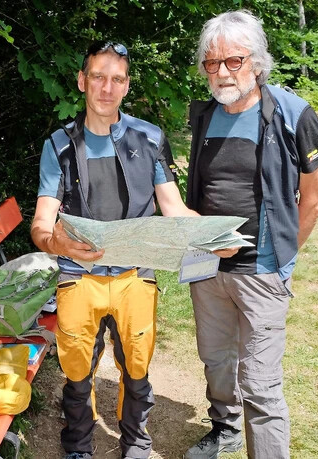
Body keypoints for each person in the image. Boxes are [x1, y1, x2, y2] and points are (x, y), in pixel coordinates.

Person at [31, 41, 196, 459]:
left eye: (117, 79)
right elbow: (41, 223)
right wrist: (55, 241)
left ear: (126, 87)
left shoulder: (150, 137)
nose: (107, 87)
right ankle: (78, 446)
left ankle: (136, 442)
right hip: (77, 275)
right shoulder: (59, 146)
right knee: (76, 369)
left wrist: (214, 235)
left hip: (133, 276)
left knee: (137, 365)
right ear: (82, 81)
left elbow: (173, 207)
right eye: (98, 77)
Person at [183, 10, 318, 459]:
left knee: (261, 387)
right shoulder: (205, 115)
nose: (222, 72)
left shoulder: (293, 114)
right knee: (215, 360)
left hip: (261, 273)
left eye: (234, 61)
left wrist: (280, 260)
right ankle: (224, 429)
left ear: (257, 62)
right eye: (212, 63)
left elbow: (315, 198)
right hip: (206, 266)